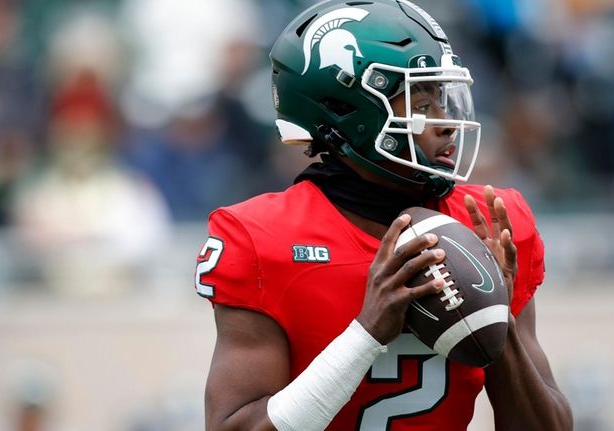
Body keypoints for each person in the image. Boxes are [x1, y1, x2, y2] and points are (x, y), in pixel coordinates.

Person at [194, 0, 572, 429]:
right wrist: (366, 334)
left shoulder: (486, 222)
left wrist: (496, 325)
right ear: (344, 112)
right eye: (419, 102)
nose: (445, 123)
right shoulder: (262, 238)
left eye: (442, 98)